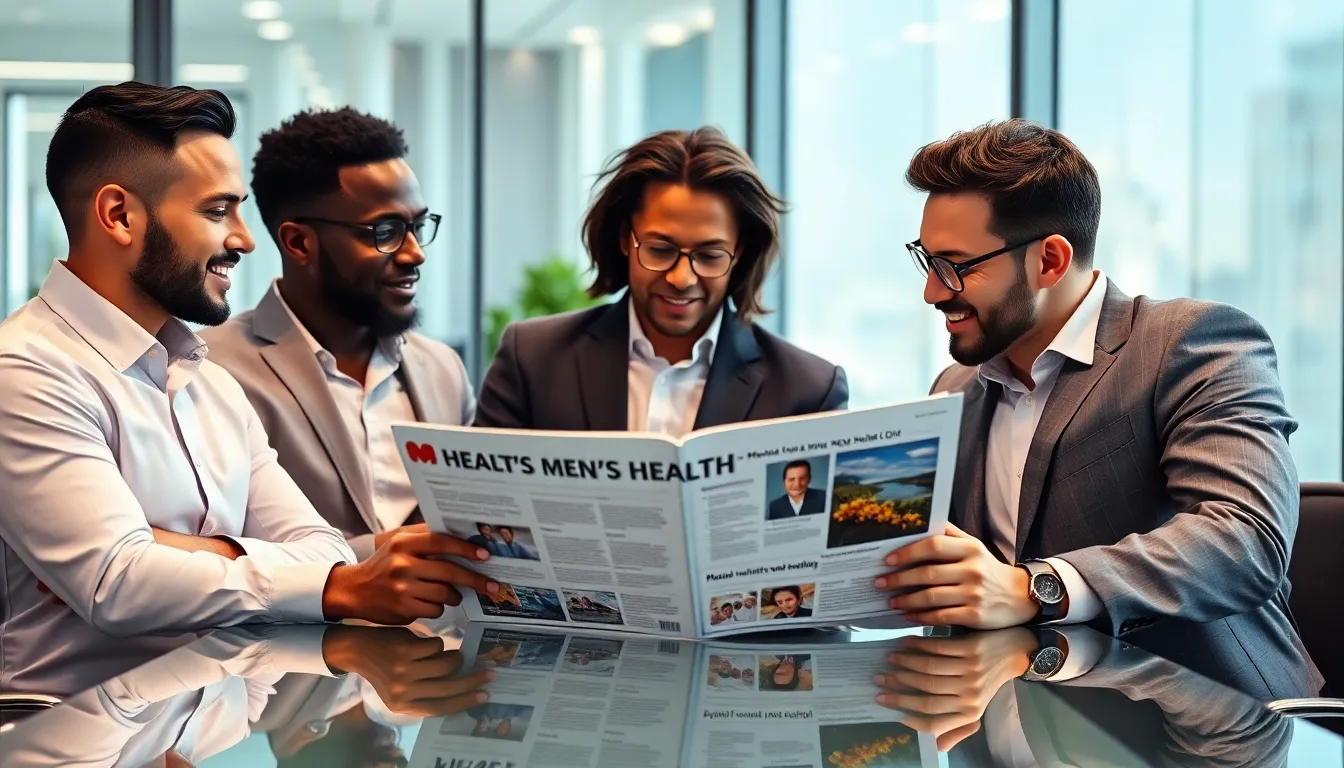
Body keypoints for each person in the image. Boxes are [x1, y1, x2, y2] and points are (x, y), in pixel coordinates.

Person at [0, 83, 497, 688]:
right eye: (216, 211)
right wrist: (327, 584)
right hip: (79, 742)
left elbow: (327, 547)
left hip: (207, 725)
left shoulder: (209, 383)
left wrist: (188, 551)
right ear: (119, 215)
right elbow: (122, 584)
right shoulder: (24, 371)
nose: (244, 238)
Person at [872, 119, 1321, 695]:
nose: (933, 291)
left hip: (1204, 729)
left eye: (956, 266)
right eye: (926, 261)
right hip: (1015, 725)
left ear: (1051, 261)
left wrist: (1033, 589)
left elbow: (1244, 539)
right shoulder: (954, 389)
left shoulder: (1193, 343)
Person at [199, 107, 474, 562]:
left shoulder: (443, 369)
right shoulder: (215, 370)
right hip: (289, 633)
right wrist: (381, 553)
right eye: (385, 231)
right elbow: (216, 553)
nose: (414, 254)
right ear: (299, 243)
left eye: (418, 227)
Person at [473, 127, 847, 436]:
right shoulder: (533, 360)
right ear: (625, 239)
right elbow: (480, 508)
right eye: (660, 249)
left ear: (740, 255)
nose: (681, 279)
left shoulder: (808, 391)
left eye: (709, 255)